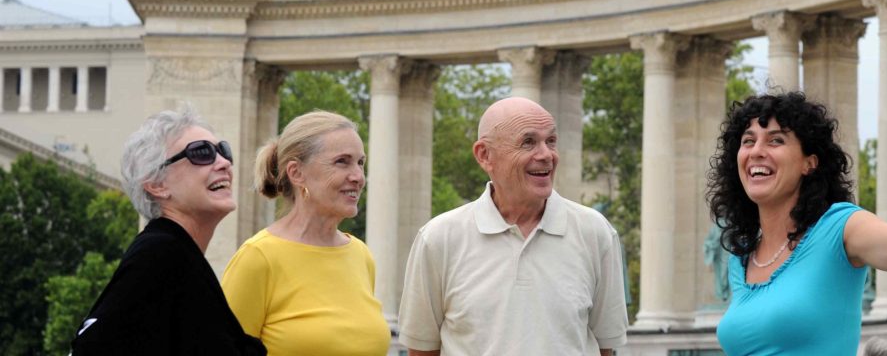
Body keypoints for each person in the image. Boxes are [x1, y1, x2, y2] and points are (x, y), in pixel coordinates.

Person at [708, 89, 887, 355]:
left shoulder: (839, 227)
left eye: (775, 141)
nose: (757, 152)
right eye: (748, 141)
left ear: (809, 163)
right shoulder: (740, 258)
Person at [398, 97, 628, 356]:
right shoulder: (438, 238)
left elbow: (604, 346)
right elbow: (421, 350)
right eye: (528, 142)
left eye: (550, 141)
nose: (546, 155)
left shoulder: (596, 232)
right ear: (484, 155)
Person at [71, 106, 265, 355]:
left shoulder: (174, 253)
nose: (224, 163)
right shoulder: (161, 254)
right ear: (157, 185)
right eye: (201, 153)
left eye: (222, 151)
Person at [221, 111, 390, 355]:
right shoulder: (257, 257)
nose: (358, 177)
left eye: (360, 162)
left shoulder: (361, 255)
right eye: (342, 161)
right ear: (296, 173)